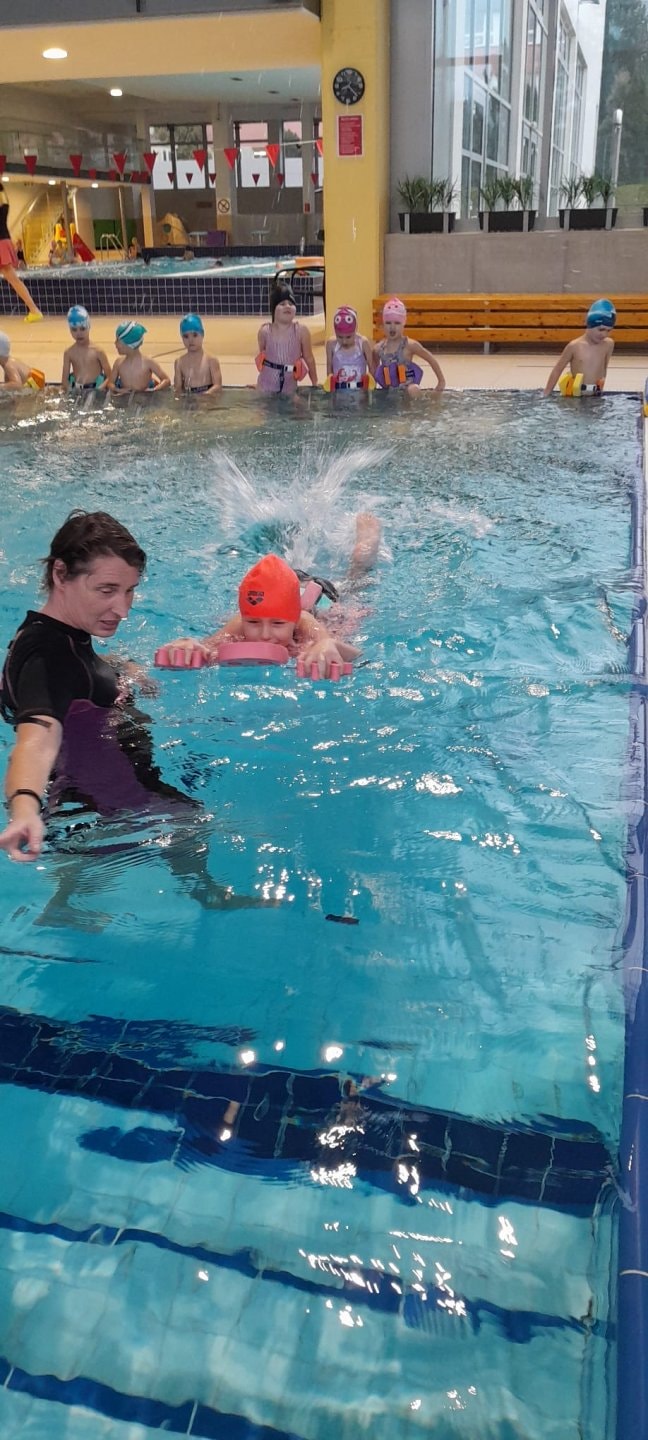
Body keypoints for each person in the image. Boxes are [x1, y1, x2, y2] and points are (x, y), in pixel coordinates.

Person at [0, 511, 267, 912]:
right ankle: (207, 896)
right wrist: (23, 808)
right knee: (191, 822)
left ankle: (63, 907)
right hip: (113, 797)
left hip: (80, 788)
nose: (122, 608)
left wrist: (120, 667)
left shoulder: (48, 634)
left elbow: (72, 677)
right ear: (61, 573)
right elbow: (37, 737)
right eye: (107, 590)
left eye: (129, 591)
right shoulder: (46, 656)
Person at [163, 515, 381, 677]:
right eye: (254, 623)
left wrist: (328, 646)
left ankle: (362, 555)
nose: (265, 635)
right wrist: (189, 645)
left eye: (277, 624)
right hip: (278, 591)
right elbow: (207, 647)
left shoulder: (304, 622)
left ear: (292, 620)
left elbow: (350, 652)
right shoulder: (240, 623)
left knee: (353, 592)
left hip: (319, 598)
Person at [543, 298, 616, 397]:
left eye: (608, 330)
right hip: (576, 397)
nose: (604, 334)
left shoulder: (608, 345)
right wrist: (546, 394)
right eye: (601, 329)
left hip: (596, 397)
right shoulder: (574, 346)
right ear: (589, 324)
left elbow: (604, 369)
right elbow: (557, 370)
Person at [373, 296, 445, 395]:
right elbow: (375, 369)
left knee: (414, 389)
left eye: (397, 323)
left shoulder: (409, 345)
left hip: (407, 388)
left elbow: (430, 359)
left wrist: (441, 381)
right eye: (388, 323)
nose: (392, 327)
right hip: (389, 389)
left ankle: (416, 403)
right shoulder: (378, 348)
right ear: (383, 324)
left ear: (403, 323)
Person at [256, 283, 317, 395]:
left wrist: (315, 383)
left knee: (295, 404)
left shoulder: (301, 331)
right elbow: (262, 357)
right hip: (265, 386)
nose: (288, 306)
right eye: (282, 304)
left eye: (291, 303)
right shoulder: (265, 331)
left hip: (290, 389)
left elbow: (309, 359)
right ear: (273, 309)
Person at [0, 181, 43, 322]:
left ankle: (34, 310)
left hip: (1, 243)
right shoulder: (4, 206)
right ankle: (34, 309)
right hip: (5, 241)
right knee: (14, 280)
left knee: (13, 279)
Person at [109, 321, 170, 394]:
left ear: (129, 343)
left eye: (117, 340)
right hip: (126, 397)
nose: (115, 343)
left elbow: (166, 380)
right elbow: (110, 383)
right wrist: (118, 390)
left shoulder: (148, 362)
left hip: (145, 398)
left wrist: (155, 389)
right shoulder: (118, 363)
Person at [61, 306, 111, 391]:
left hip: (96, 388)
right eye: (74, 330)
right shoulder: (69, 353)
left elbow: (110, 376)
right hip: (76, 389)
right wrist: (69, 391)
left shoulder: (98, 351)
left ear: (89, 327)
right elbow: (64, 381)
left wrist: (99, 390)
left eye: (82, 329)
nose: (79, 333)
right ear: (70, 330)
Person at [325, 305, 374, 390]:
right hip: (339, 392)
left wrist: (371, 389)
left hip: (360, 391)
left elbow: (371, 367)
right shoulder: (331, 344)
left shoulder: (363, 343)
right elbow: (329, 371)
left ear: (356, 329)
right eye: (340, 337)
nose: (344, 341)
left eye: (348, 337)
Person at [174, 313, 222, 396]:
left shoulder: (211, 360)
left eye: (195, 335)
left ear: (202, 334)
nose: (191, 340)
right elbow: (178, 389)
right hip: (189, 400)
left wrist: (205, 396)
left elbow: (217, 386)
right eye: (186, 336)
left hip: (208, 400)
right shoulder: (179, 362)